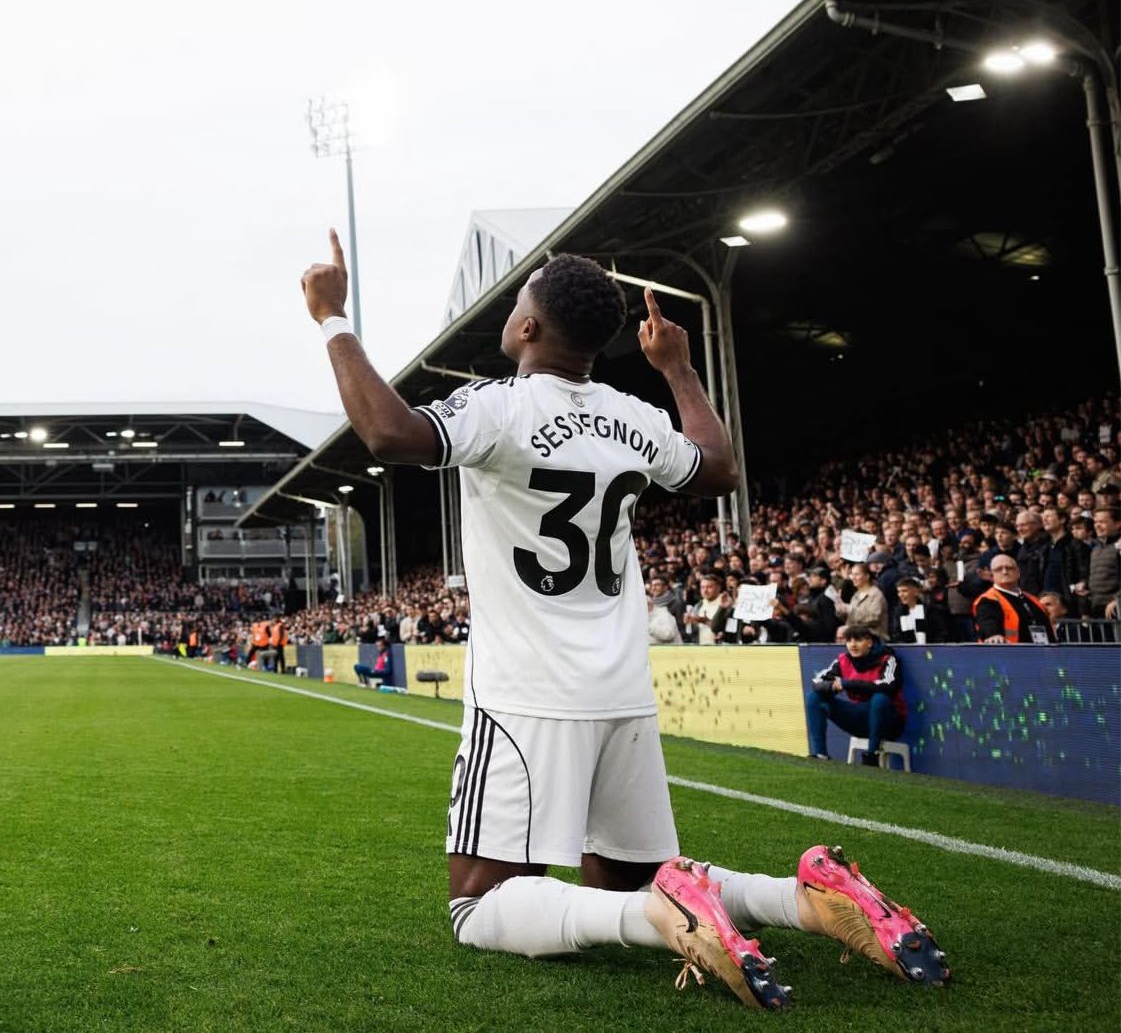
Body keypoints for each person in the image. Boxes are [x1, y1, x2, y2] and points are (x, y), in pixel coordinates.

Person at [301, 233, 948, 1006]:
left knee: (479, 905)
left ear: (530, 329)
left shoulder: (498, 407)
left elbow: (389, 433)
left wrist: (333, 319)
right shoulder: (631, 417)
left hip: (524, 692)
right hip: (620, 689)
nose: (510, 313)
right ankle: (798, 899)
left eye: (518, 304)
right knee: (624, 870)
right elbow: (717, 470)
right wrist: (675, 367)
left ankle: (665, 919)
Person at [805, 626, 907, 764]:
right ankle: (820, 754)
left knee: (880, 698)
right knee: (814, 697)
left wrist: (848, 684)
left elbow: (888, 686)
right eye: (849, 640)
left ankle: (872, 755)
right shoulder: (843, 660)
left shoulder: (888, 659)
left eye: (858, 640)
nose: (852, 645)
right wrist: (833, 686)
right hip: (861, 718)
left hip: (889, 722)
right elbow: (817, 682)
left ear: (869, 642)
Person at [972, 556, 1055, 644]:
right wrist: (993, 634)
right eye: (998, 569)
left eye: (1009, 568)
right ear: (992, 576)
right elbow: (987, 621)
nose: (1005, 572)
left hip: (1041, 653)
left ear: (1018, 572)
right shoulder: (988, 600)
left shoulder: (1033, 600)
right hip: (1009, 653)